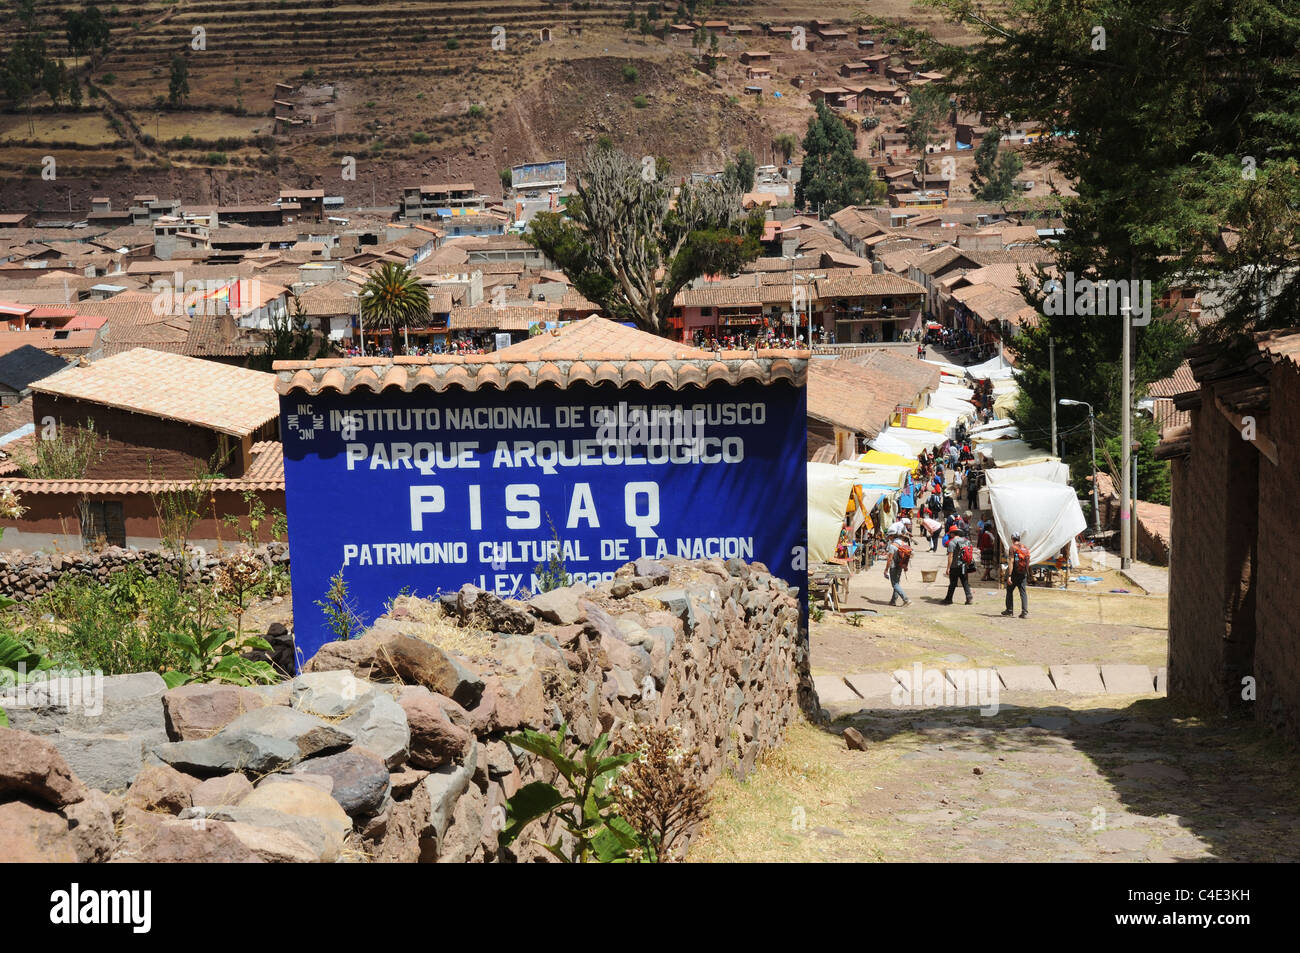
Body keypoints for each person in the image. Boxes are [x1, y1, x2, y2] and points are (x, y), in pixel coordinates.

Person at [942, 524, 974, 605]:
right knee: (965, 582)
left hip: (955, 566)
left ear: (953, 533)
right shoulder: (966, 541)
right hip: (964, 565)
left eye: (950, 533)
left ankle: (948, 599)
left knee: (952, 583)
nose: (949, 535)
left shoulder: (952, 542)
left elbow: (950, 556)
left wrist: (948, 568)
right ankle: (969, 598)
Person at [1002, 532, 1031, 618]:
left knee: (1009, 590)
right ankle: (1024, 612)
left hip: (1014, 573)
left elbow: (1011, 561)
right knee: (1023, 592)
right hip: (1023, 573)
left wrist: (1009, 575)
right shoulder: (1024, 547)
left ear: (1012, 539)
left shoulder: (1012, 548)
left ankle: (1009, 610)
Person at [884, 531, 912, 607]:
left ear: (892, 536)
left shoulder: (892, 545)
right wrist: (905, 566)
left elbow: (889, 559)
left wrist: (886, 570)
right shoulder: (903, 543)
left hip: (893, 566)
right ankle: (893, 601)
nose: (888, 538)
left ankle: (906, 599)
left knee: (895, 584)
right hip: (900, 565)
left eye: (889, 536)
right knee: (897, 583)